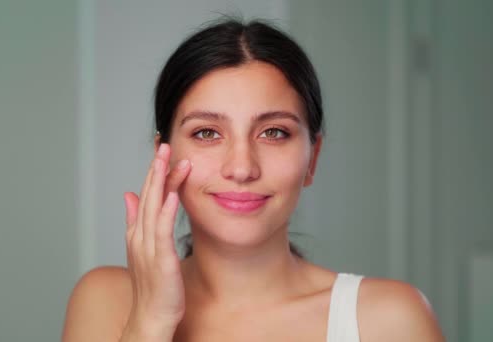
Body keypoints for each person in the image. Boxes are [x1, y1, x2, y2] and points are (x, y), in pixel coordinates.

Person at [62, 18, 444, 342]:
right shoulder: (107, 301)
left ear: (314, 158)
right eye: (207, 133)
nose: (242, 168)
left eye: (274, 132)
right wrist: (150, 322)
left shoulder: (390, 319)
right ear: (163, 156)